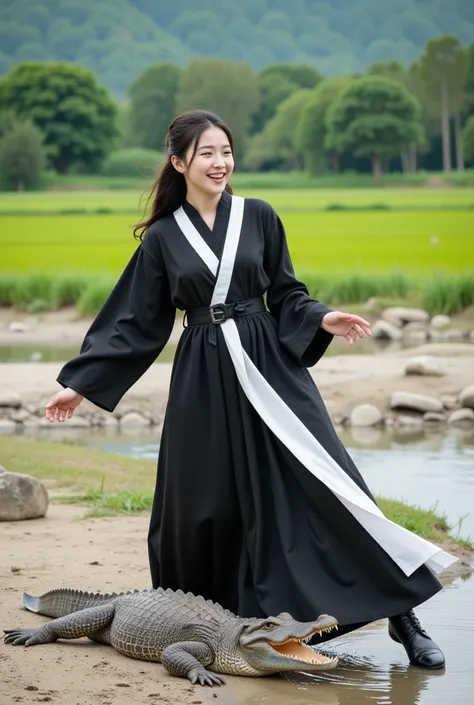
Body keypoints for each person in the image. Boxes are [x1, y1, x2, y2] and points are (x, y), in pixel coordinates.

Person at [45, 109, 454, 671]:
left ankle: (404, 618)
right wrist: (81, 384)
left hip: (269, 367)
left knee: (326, 486)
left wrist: (322, 316)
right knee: (203, 503)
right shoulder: (164, 237)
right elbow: (137, 321)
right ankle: (225, 630)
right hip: (202, 376)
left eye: (227, 152)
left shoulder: (258, 216)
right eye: (207, 153)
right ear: (179, 162)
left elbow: (286, 292)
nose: (220, 163)